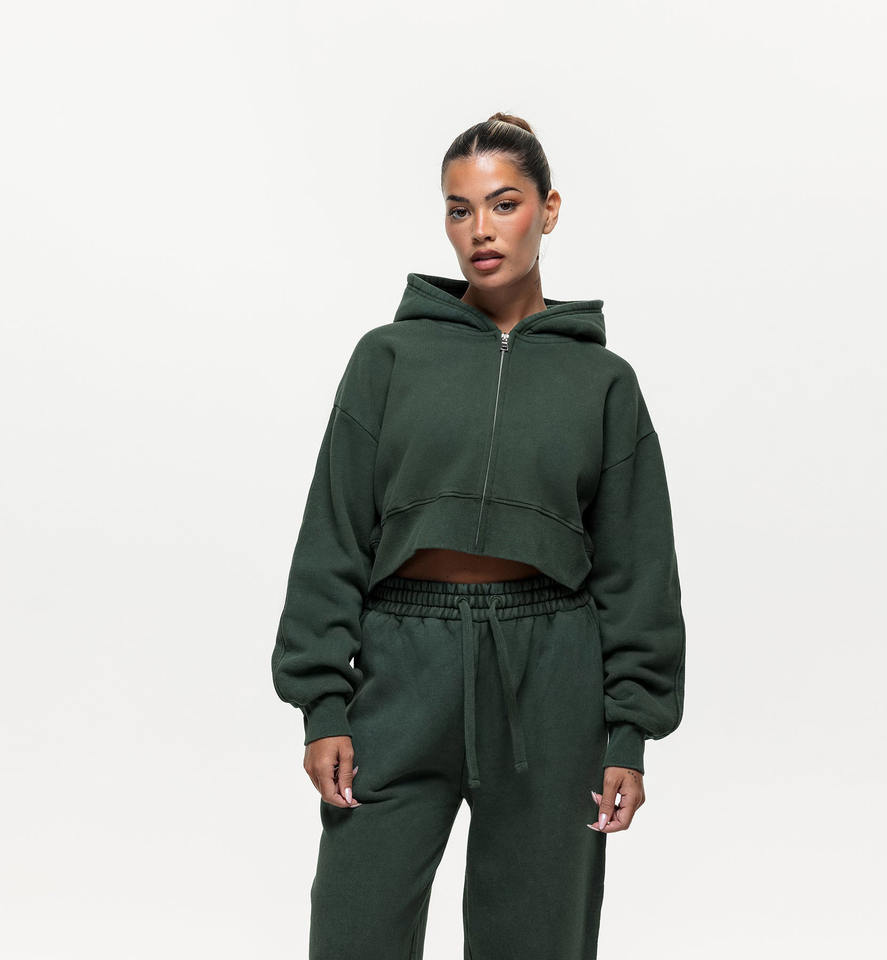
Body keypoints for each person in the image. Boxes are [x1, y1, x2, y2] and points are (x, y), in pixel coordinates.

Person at [271, 112, 686, 960]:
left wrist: (630, 732)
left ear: (549, 209)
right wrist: (322, 704)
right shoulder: (387, 359)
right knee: (355, 927)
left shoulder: (602, 381)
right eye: (459, 210)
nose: (481, 230)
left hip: (551, 673)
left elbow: (637, 567)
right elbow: (334, 534)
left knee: (536, 940)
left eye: (503, 204)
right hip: (402, 663)